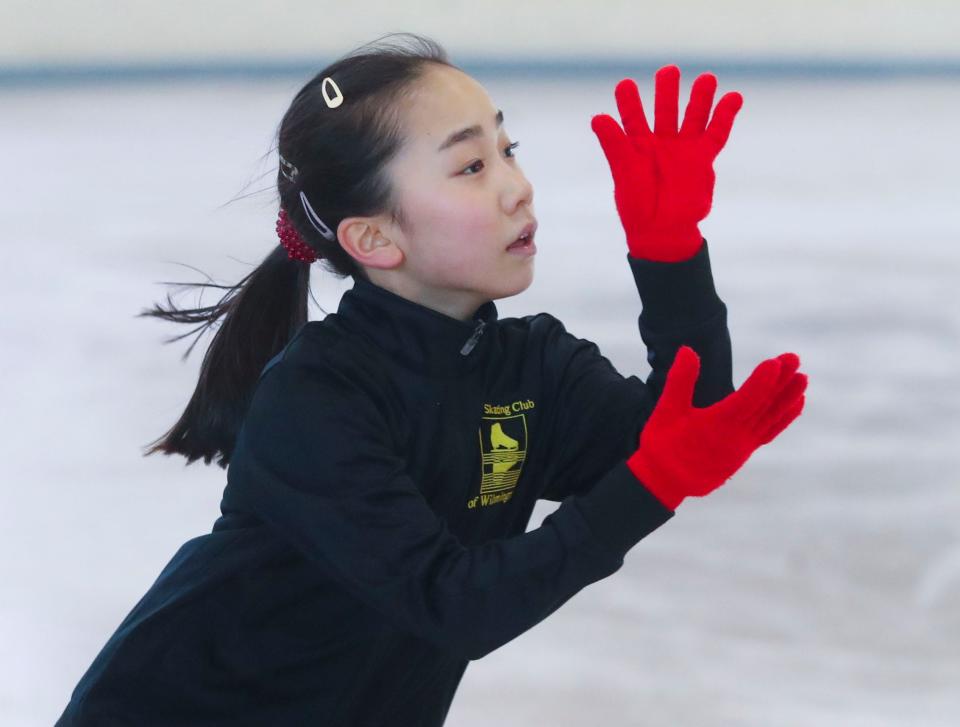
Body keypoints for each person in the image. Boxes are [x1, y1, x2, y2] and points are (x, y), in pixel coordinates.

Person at [55, 32, 807, 726]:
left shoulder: (532, 364)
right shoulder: (316, 398)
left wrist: (670, 254)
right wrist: (652, 481)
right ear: (374, 237)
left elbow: (685, 429)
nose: (518, 187)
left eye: (509, 148)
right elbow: (456, 602)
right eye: (472, 166)